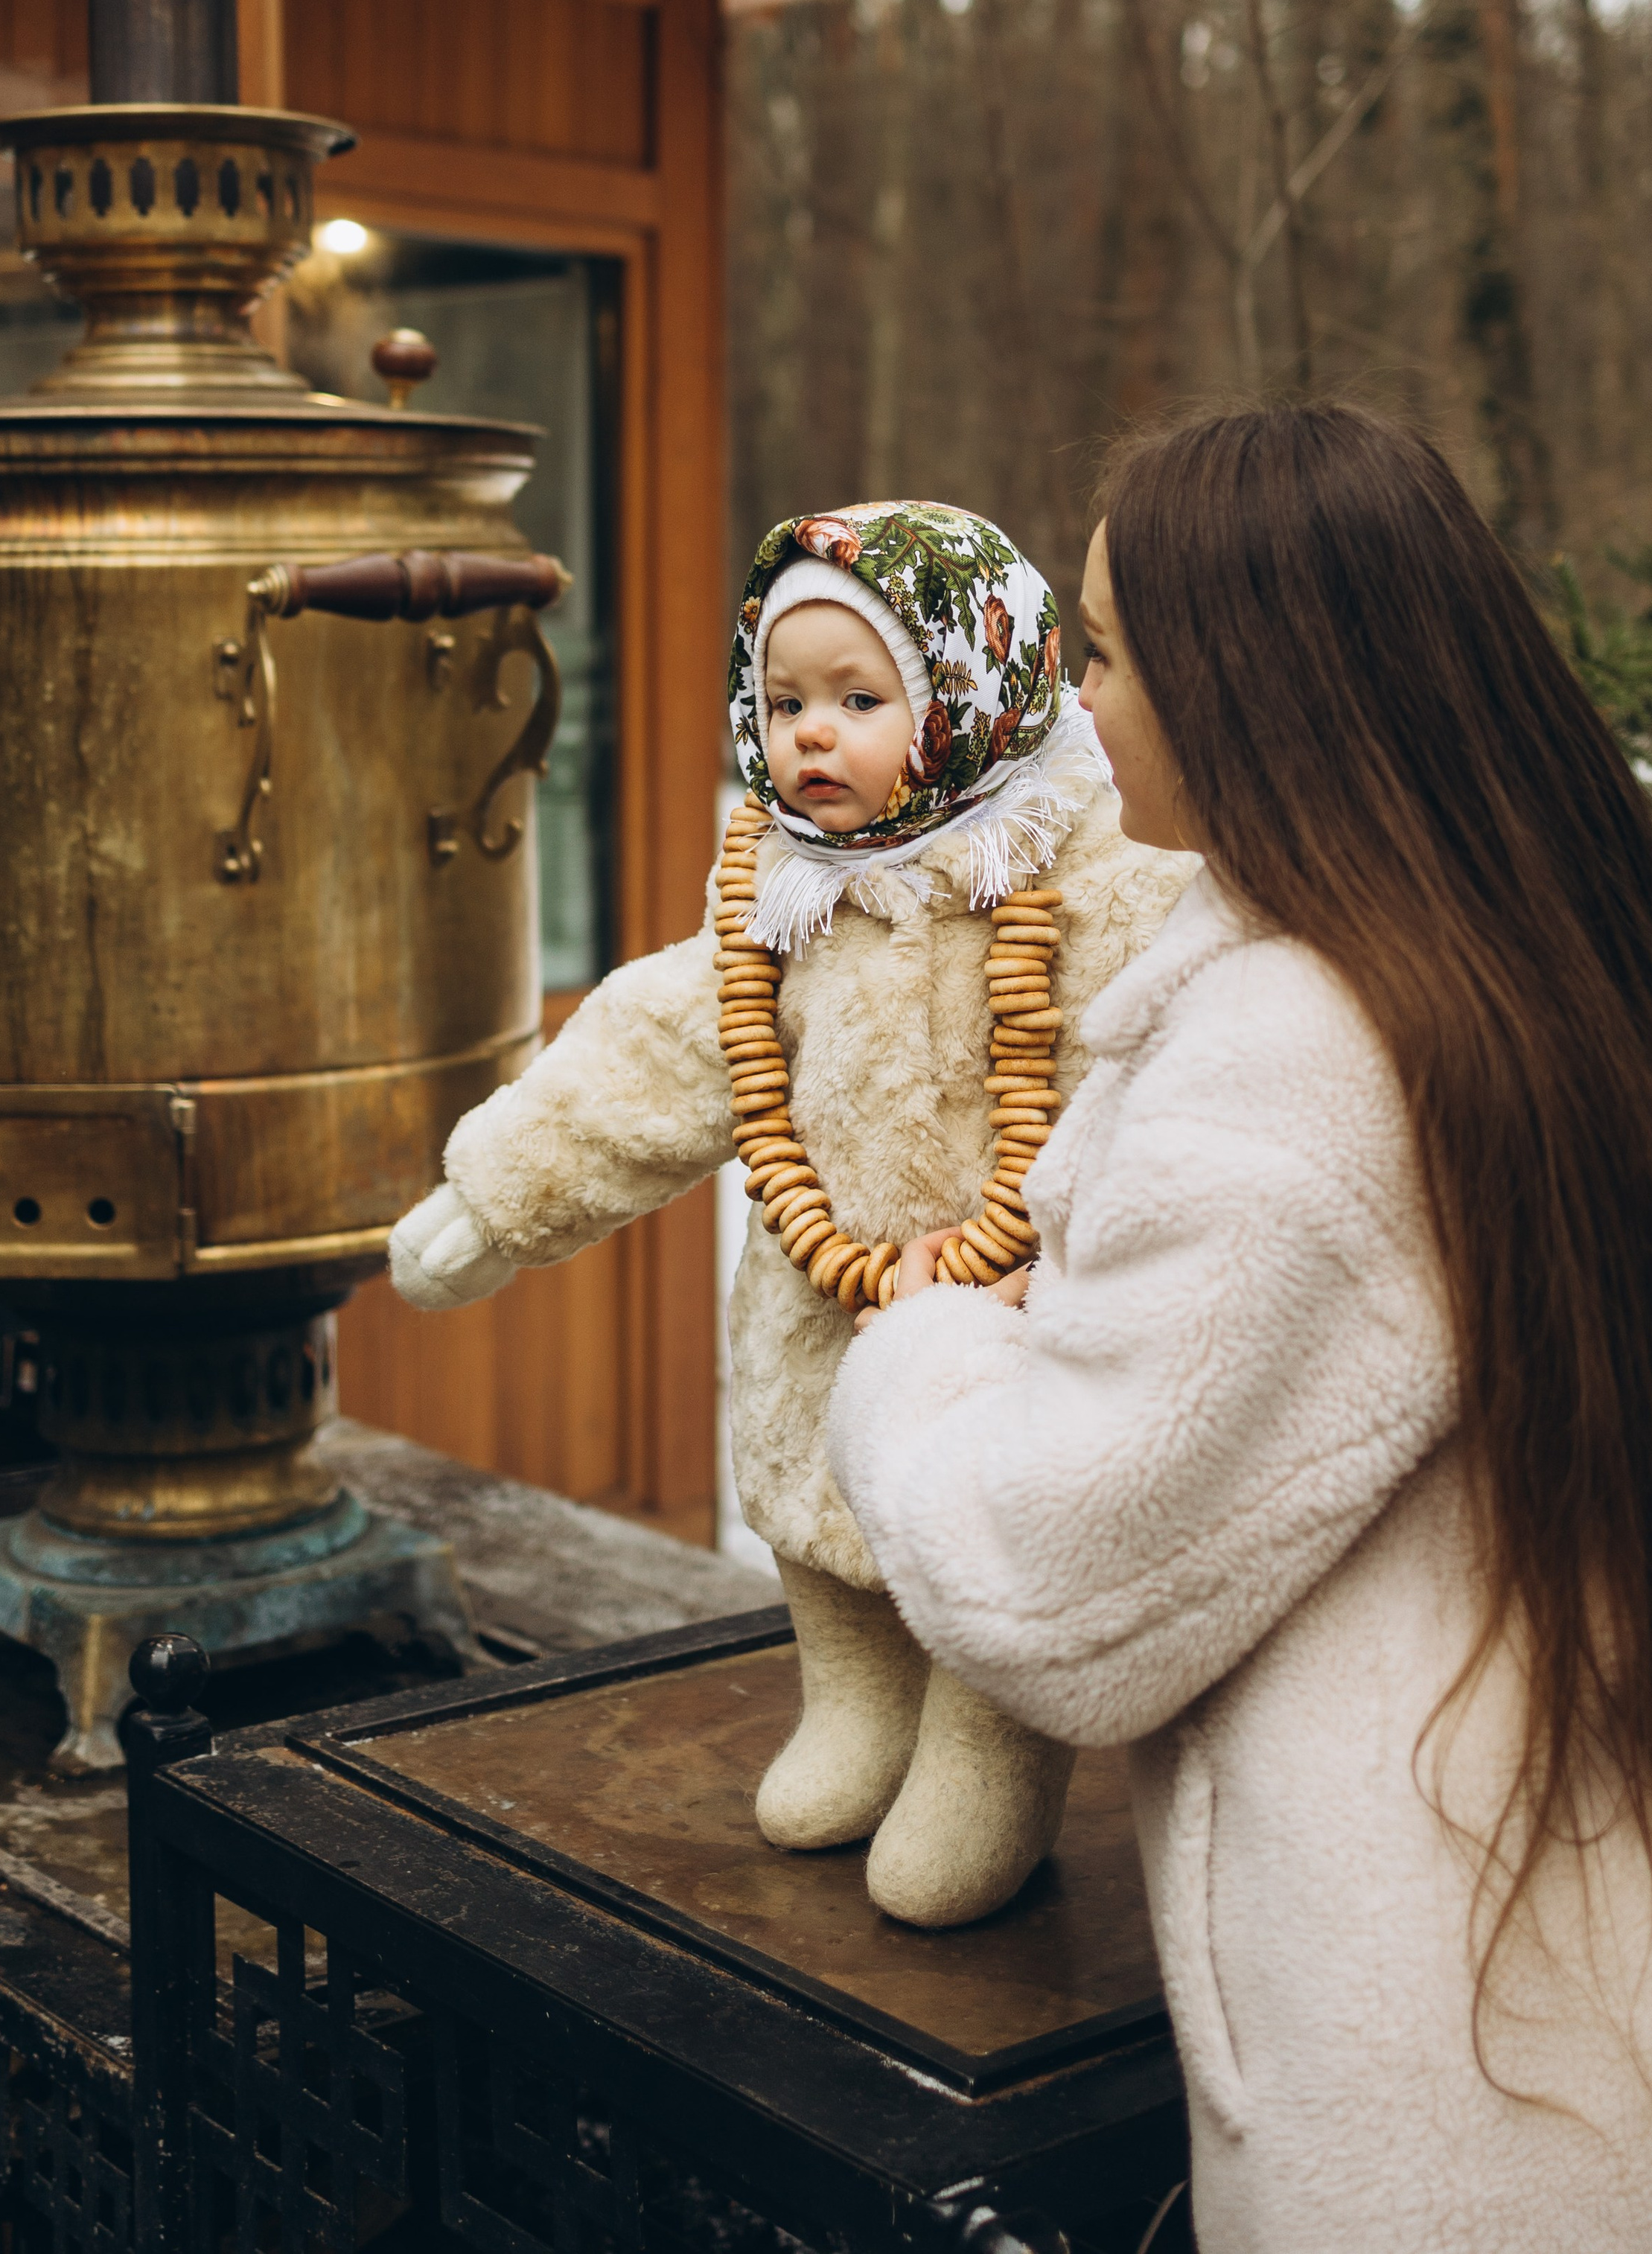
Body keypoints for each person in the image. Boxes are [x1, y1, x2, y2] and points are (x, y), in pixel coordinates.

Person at [826, 407, 1652, 2252]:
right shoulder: (1516, 944)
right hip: (1640, 1975)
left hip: (1448, 2083)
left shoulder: (1294, 1059)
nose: (1076, 697)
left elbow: (1050, 1583)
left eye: (1108, 652)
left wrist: (928, 1351)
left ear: (1247, 683)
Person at [388, 499, 1193, 1924]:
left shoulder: (1096, 874)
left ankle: (986, 1757)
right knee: (824, 1527)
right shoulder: (781, 893)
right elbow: (664, 1039)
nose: (812, 734)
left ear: (973, 692)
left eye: (861, 699)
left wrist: (1072, 1254)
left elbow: (1166, 1066)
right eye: (785, 700)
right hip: (817, 1313)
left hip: (1007, 1315)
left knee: (984, 1541)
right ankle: (858, 1710)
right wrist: (499, 1189)